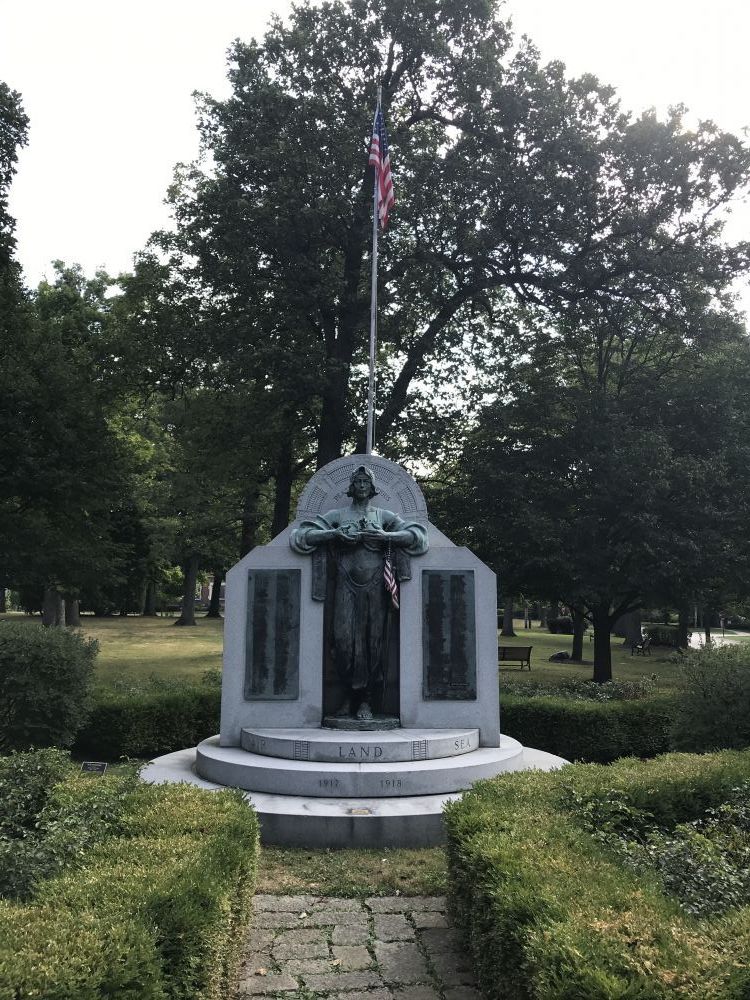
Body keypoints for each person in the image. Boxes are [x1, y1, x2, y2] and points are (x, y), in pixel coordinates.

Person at [290, 465, 428, 720]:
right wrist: (334, 534)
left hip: (376, 588)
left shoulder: (383, 515)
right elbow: (302, 536)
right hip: (345, 586)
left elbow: (418, 536)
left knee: (373, 644)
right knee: (342, 642)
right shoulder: (337, 515)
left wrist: (385, 535)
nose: (362, 485)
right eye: (358, 481)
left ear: (372, 488)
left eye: (366, 481)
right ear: (351, 487)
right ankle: (346, 697)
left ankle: (365, 701)